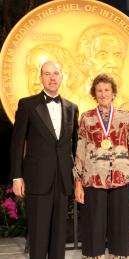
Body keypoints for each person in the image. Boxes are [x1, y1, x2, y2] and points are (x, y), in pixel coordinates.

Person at [10, 61, 79, 259]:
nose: (52, 77)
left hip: (63, 180)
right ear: (41, 78)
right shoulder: (27, 105)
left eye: (56, 73)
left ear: (62, 76)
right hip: (38, 179)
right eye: (47, 74)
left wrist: (77, 179)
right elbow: (17, 144)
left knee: (59, 238)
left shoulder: (72, 108)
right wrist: (16, 177)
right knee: (39, 236)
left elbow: (74, 147)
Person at [73, 73, 129, 259]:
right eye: (99, 90)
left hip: (122, 178)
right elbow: (80, 152)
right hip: (93, 179)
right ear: (94, 93)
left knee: (121, 226)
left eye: (107, 90)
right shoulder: (86, 118)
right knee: (94, 226)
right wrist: (78, 184)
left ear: (113, 93)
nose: (103, 94)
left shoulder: (125, 116)